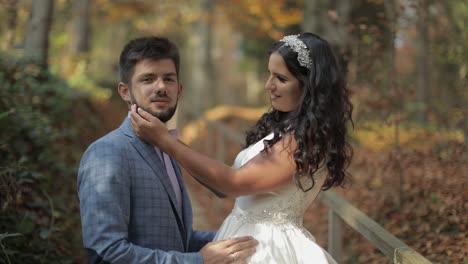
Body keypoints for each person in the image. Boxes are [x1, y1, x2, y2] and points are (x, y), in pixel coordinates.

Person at [130, 32, 353, 263]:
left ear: (309, 87)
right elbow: (222, 187)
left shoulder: (303, 139)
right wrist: (166, 138)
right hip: (245, 237)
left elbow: (232, 184)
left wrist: (165, 142)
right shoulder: (286, 129)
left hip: (269, 250)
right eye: (270, 75)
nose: (269, 85)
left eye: (281, 78)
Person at [77, 36, 258, 264]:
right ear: (125, 91)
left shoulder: (166, 150)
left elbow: (177, 240)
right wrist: (197, 261)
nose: (161, 87)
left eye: (168, 79)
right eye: (148, 79)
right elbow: (105, 253)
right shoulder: (107, 154)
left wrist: (242, 239)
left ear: (179, 89)